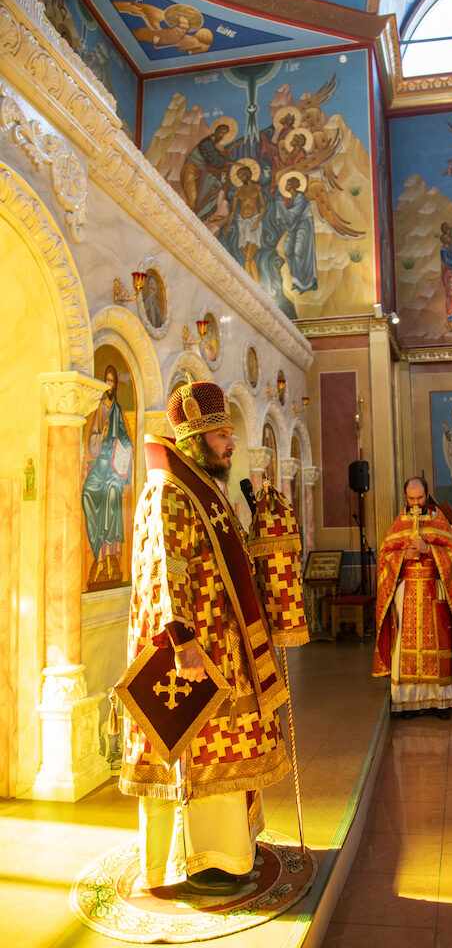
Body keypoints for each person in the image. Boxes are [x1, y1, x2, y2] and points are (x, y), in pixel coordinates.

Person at [120, 381, 293, 895]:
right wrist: (182, 640)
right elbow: (164, 569)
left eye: (229, 433)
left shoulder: (205, 488)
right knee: (200, 749)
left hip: (224, 646)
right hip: (196, 653)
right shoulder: (170, 491)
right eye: (222, 435)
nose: (232, 443)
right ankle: (200, 859)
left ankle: (230, 849)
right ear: (194, 439)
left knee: (229, 746)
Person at [372, 477, 452, 717]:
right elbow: (385, 555)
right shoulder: (399, 522)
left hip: (434, 590)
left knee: (439, 642)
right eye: (411, 498)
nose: (415, 503)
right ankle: (407, 702)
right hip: (407, 592)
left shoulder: (438, 519)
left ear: (427, 495)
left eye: (419, 498)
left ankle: (440, 702)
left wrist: (429, 549)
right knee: (404, 645)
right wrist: (403, 556)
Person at [81, 364, 133, 587]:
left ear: (115, 385)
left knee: (111, 493)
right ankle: (98, 554)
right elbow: (92, 442)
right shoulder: (99, 408)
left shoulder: (117, 410)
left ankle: (109, 555)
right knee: (88, 493)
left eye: (112, 381)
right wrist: (101, 436)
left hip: (114, 468)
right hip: (100, 465)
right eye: (107, 380)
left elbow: (125, 437)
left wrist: (126, 446)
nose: (109, 385)